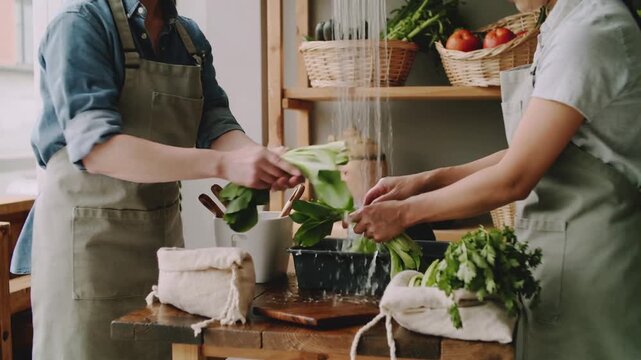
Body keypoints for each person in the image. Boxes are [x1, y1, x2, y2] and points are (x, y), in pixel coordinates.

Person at [9, 0, 302, 358]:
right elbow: (98, 149)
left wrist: (260, 158)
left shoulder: (189, 38)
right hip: (84, 257)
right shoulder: (81, 25)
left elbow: (215, 123)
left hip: (160, 252)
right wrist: (225, 165)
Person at [350, 0, 641, 359]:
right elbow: (529, 151)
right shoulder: (566, 25)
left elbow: (514, 178)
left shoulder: (590, 32)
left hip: (595, 266)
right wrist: (426, 180)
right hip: (562, 260)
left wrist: (405, 213)